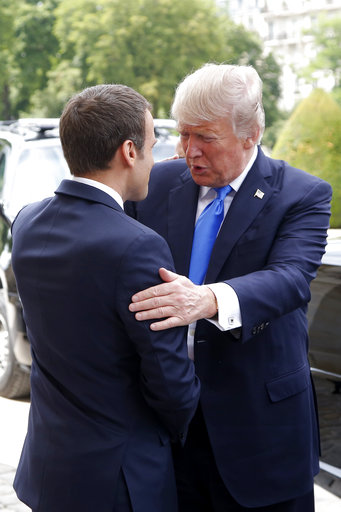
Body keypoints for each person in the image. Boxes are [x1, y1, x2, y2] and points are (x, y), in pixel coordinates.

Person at [126, 64, 332, 511]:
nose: (189, 150)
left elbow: (291, 279)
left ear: (250, 133)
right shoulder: (158, 184)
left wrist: (206, 300)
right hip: (170, 429)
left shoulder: (301, 194)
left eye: (206, 138)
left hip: (262, 437)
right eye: (183, 135)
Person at [11, 84, 200, 512]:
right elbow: (169, 380)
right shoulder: (137, 246)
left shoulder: (26, 221)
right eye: (153, 147)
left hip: (49, 470)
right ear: (129, 152)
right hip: (120, 479)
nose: (156, 160)